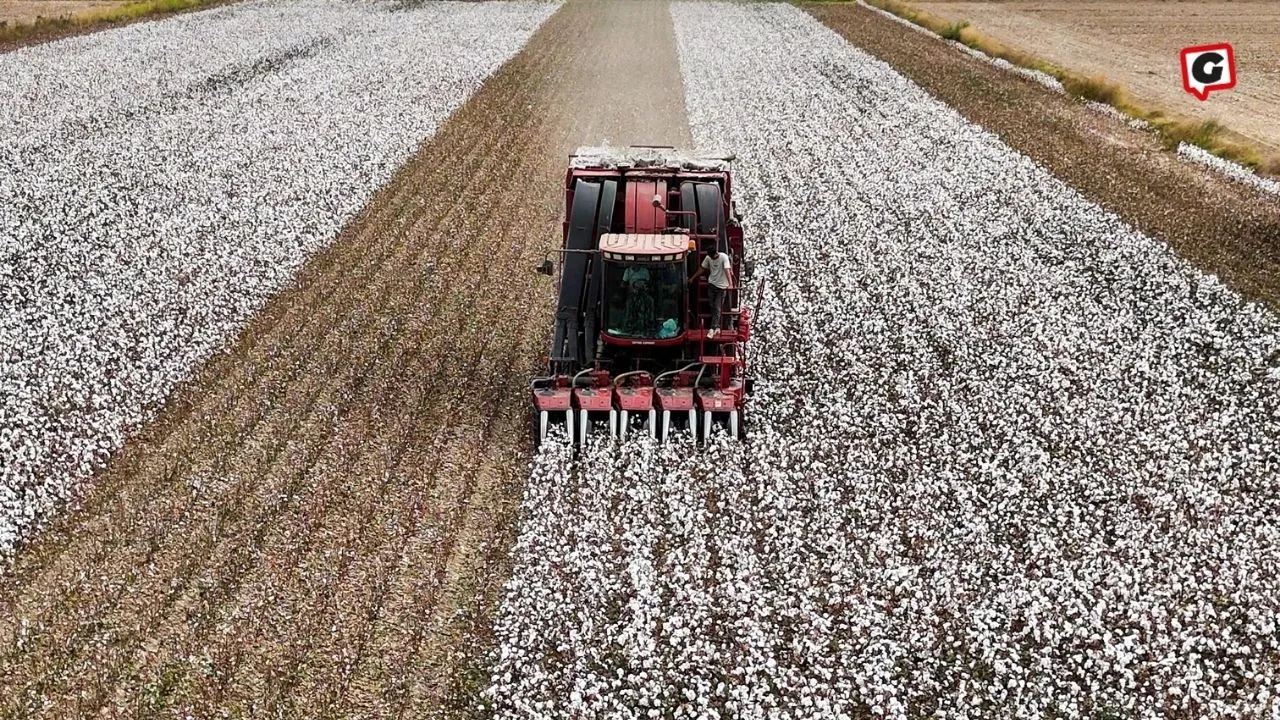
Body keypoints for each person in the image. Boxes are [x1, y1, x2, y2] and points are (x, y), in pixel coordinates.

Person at [688, 245, 733, 337]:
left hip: (722, 287)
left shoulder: (724, 257)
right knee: (712, 306)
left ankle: (712, 329)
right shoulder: (708, 258)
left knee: (717, 307)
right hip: (712, 284)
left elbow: (727, 270)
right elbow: (702, 268)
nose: (712, 259)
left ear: (716, 253)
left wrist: (730, 284)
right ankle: (717, 327)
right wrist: (693, 278)